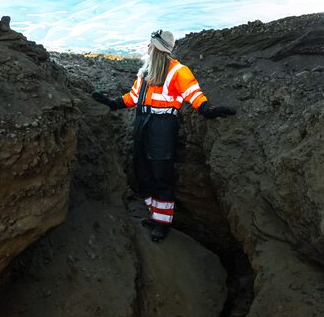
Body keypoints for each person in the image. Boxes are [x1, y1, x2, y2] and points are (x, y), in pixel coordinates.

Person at [91, 29, 235, 242]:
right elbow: (133, 96)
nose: (147, 48)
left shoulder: (179, 71)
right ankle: (155, 215)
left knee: (161, 172)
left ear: (157, 48)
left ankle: (162, 223)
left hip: (163, 126)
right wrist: (113, 103)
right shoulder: (145, 71)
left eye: (150, 45)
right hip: (142, 123)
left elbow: (193, 94)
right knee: (143, 169)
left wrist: (207, 110)